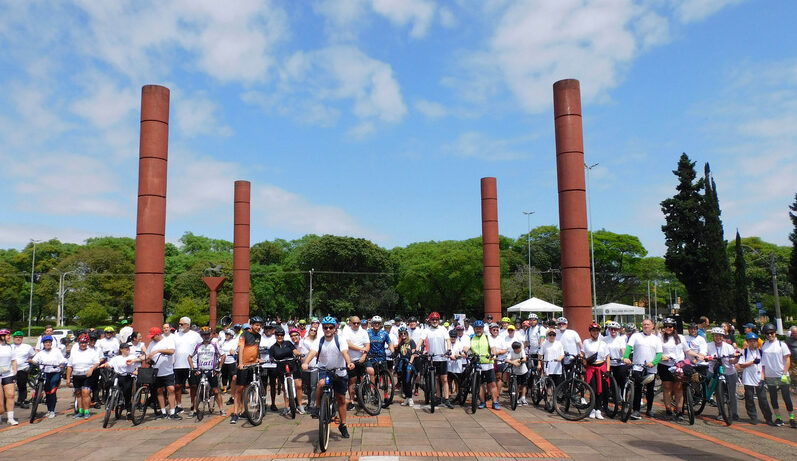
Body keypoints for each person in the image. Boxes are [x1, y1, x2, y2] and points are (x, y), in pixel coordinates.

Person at [302, 316, 355, 439]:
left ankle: (343, 425)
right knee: (321, 384)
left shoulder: (340, 339)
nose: (328, 329)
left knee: (341, 398)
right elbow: (312, 352)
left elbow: (345, 352)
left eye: (331, 327)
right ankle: (317, 407)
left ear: (335, 328)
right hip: (324, 370)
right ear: (323, 328)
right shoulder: (319, 341)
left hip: (339, 371)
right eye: (325, 327)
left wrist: (349, 363)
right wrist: (305, 362)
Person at [624, 318, 662, 420]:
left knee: (650, 390)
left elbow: (659, 354)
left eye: (648, 325)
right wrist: (626, 357)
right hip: (638, 366)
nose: (646, 326)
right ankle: (636, 410)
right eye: (644, 324)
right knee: (637, 389)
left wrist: (653, 363)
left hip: (651, 368)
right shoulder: (636, 336)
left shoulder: (657, 339)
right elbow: (629, 347)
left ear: (652, 326)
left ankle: (649, 409)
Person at [760, 323, 794, 427]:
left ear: (775, 333)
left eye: (772, 333)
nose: (770, 335)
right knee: (773, 397)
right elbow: (763, 364)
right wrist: (763, 377)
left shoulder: (781, 344)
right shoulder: (764, 345)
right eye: (767, 334)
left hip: (782, 375)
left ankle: (791, 418)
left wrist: (784, 373)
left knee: (786, 397)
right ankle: (778, 418)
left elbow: (787, 359)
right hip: (770, 376)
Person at [737, 332, 773, 425]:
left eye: (754, 341)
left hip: (759, 378)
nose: (752, 343)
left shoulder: (761, 352)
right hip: (748, 378)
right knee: (749, 399)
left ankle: (768, 418)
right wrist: (752, 362)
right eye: (750, 341)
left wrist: (762, 379)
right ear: (747, 342)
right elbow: (741, 365)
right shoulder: (744, 352)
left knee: (763, 399)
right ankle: (753, 417)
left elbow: (764, 366)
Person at [232, 317, 263, 424]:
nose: (258, 327)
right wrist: (240, 363)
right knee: (239, 389)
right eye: (256, 325)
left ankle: (244, 411)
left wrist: (258, 358)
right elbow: (241, 349)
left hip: (253, 365)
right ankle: (235, 413)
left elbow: (256, 349)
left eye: (260, 325)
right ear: (252, 325)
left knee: (247, 389)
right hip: (243, 365)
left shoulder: (259, 336)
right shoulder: (244, 334)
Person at [188, 327, 225, 416]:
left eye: (208, 334)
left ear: (210, 334)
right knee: (198, 391)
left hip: (211, 371)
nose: (206, 336)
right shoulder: (198, 346)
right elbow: (189, 357)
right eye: (204, 335)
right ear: (201, 335)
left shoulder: (214, 345)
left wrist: (219, 367)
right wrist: (193, 368)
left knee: (216, 391)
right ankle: (195, 410)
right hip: (200, 370)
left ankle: (221, 409)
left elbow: (223, 356)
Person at [146, 327, 181, 420]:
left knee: (171, 389)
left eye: (153, 336)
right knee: (159, 391)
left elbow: (172, 351)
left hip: (167, 370)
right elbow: (147, 354)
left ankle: (172, 412)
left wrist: (158, 350)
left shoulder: (167, 341)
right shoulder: (151, 344)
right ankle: (163, 411)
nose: (152, 338)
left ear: (158, 335)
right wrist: (135, 360)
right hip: (156, 371)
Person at [659, 317, 689, 420]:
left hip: (678, 365)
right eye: (666, 326)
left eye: (670, 326)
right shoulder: (661, 337)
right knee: (667, 387)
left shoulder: (680, 337)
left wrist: (698, 356)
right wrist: (662, 356)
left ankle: (680, 410)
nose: (668, 328)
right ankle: (668, 409)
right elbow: (657, 351)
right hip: (665, 365)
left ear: (674, 327)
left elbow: (687, 350)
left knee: (678, 388)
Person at [707, 326, 739, 422]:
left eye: (720, 336)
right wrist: (706, 357)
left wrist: (736, 358)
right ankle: (721, 413)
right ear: (713, 336)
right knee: (719, 393)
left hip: (729, 372)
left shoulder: (728, 347)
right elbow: (702, 354)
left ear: (723, 336)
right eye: (716, 336)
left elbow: (733, 361)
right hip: (715, 371)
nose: (718, 338)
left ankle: (733, 413)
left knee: (731, 394)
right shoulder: (708, 345)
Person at [31, 335, 67, 418]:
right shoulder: (41, 353)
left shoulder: (56, 351)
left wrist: (62, 364)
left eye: (49, 342)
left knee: (52, 391)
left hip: (55, 372)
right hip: (45, 373)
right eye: (46, 342)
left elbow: (63, 360)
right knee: (47, 392)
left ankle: (52, 411)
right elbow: (34, 360)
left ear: (51, 343)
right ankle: (49, 410)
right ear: (43, 344)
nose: (48, 344)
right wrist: (31, 361)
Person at [172, 317, 203, 415]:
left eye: (182, 324)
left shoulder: (195, 335)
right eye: (179, 324)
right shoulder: (175, 335)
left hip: (191, 364)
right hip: (178, 364)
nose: (180, 325)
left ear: (188, 325)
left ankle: (193, 405)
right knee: (177, 386)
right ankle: (179, 406)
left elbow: (202, 347)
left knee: (193, 386)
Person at [101, 342, 140, 419]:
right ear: (121, 350)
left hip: (128, 376)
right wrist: (105, 365)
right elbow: (110, 363)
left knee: (127, 392)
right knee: (108, 384)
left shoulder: (133, 357)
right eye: (126, 348)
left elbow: (138, 366)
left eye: (128, 348)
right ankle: (109, 398)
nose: (128, 349)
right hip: (117, 375)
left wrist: (136, 371)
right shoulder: (117, 358)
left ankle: (128, 410)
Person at [270, 327, 303, 415]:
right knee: (285, 387)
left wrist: (298, 354)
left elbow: (294, 350)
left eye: (281, 335)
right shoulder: (273, 347)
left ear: (284, 336)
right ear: (275, 336)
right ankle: (287, 407)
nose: (280, 336)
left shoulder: (288, 343)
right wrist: (272, 359)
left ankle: (300, 405)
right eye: (278, 335)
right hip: (281, 367)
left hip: (292, 365)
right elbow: (271, 356)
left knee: (298, 385)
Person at [66, 333, 100, 419]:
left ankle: (86, 411)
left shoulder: (91, 352)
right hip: (76, 375)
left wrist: (91, 369)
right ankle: (80, 411)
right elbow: (69, 366)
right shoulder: (75, 353)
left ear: (87, 343)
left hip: (87, 375)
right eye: (81, 343)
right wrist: (68, 379)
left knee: (85, 393)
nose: (83, 344)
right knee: (78, 394)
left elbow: (97, 363)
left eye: (85, 343)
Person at [470, 320, 501, 410]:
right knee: (479, 384)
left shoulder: (488, 337)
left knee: (492, 384)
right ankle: (482, 401)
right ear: (474, 329)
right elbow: (467, 347)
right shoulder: (472, 338)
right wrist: (465, 352)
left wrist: (494, 355)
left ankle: (495, 402)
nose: (478, 330)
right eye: (477, 329)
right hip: (477, 364)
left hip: (488, 364)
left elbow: (493, 348)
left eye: (480, 328)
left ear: (483, 329)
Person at [424, 312, 452, 408]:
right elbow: (421, 340)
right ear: (430, 320)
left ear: (438, 320)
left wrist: (449, 350)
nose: (435, 321)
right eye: (433, 319)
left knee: (444, 379)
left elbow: (448, 340)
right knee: (436, 379)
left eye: (436, 319)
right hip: (432, 358)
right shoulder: (427, 330)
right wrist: (416, 349)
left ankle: (447, 399)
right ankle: (439, 398)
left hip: (442, 357)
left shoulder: (443, 329)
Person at [343, 315, 371, 411]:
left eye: (358, 323)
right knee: (352, 380)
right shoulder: (346, 331)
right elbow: (348, 344)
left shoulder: (364, 332)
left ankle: (362, 398)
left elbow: (367, 345)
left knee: (363, 378)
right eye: (354, 323)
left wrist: (364, 355)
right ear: (350, 323)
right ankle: (351, 401)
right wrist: (361, 349)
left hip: (361, 359)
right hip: (351, 360)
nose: (356, 325)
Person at [583, 322, 609, 419]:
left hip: (601, 367)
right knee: (592, 389)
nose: (595, 332)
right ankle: (592, 409)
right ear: (590, 332)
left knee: (601, 389)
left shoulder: (603, 343)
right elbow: (583, 354)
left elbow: (607, 357)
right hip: (591, 368)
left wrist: (608, 369)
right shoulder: (586, 342)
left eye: (597, 331)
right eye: (593, 331)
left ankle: (598, 409)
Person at [602, 321, 628, 403]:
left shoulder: (621, 339)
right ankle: (611, 397)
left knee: (621, 380)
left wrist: (624, 358)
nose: (613, 331)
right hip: (609, 363)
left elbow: (623, 350)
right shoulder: (605, 339)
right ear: (609, 330)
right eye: (611, 329)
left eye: (615, 329)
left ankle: (623, 397)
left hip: (619, 362)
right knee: (609, 383)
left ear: (618, 330)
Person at [11, 331, 35, 409]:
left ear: (22, 338)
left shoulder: (27, 347)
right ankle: (8, 402)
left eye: (20, 337)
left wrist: (30, 362)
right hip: (10, 370)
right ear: (13, 338)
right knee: (10, 387)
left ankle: (22, 401)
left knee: (22, 386)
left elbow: (33, 356)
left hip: (23, 369)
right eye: (16, 337)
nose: (18, 339)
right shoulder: (10, 347)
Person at [395, 327, 418, 406]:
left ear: (407, 334)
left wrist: (410, 363)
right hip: (402, 364)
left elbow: (414, 353)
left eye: (404, 333)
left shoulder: (411, 342)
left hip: (409, 363)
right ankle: (407, 398)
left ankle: (410, 398)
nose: (403, 335)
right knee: (404, 382)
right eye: (401, 334)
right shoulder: (400, 343)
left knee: (408, 381)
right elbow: (397, 353)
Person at [260, 321, 280, 411]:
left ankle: (273, 403)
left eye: (270, 329)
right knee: (263, 384)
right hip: (263, 364)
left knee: (272, 384)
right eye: (266, 329)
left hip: (273, 364)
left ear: (272, 330)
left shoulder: (275, 338)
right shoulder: (260, 338)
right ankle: (263, 403)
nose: (268, 330)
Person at [0, 329, 19, 425]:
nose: (9, 337)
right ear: (2, 336)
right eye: (7, 335)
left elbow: (14, 361)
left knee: (11, 395)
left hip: (8, 373)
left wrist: (15, 373)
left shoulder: (10, 347)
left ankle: (10, 418)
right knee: (0, 399)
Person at [300, 324, 320, 413]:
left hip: (315, 365)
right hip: (305, 365)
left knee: (313, 386)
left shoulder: (318, 341)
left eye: (315, 330)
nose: (313, 331)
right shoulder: (303, 340)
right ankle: (309, 402)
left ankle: (312, 403)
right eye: (311, 330)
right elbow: (300, 351)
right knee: (307, 386)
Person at [506, 341, 528, 405]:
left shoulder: (522, 351)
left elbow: (524, 359)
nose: (520, 349)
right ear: (515, 349)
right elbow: (507, 359)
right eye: (519, 348)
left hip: (523, 371)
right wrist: (513, 362)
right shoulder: (511, 353)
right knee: (517, 385)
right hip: (515, 372)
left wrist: (517, 360)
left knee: (524, 384)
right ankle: (517, 398)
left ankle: (523, 398)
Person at [219, 330, 237, 394]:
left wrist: (232, 352)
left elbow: (233, 350)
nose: (226, 336)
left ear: (231, 336)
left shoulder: (234, 341)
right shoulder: (224, 341)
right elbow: (218, 346)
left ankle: (232, 387)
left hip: (231, 360)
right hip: (224, 360)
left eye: (228, 334)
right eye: (226, 334)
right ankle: (225, 388)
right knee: (224, 375)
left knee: (232, 376)